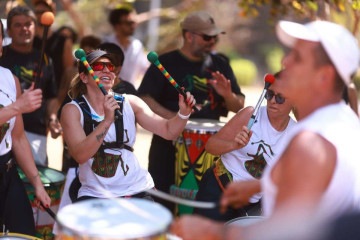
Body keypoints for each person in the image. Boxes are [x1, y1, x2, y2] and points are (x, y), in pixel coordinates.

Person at [170, 20, 360, 240]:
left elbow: (292, 231)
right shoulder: (343, 124)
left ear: (324, 76)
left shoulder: (312, 143)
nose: (285, 61)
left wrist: (213, 231)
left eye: (297, 57)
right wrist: (258, 186)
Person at [137, 11, 245, 212]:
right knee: (165, 204)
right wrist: (175, 120)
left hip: (212, 148)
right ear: (189, 36)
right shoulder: (166, 62)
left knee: (206, 203)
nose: (212, 41)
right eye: (207, 37)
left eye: (215, 37)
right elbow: (145, 97)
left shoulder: (220, 63)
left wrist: (228, 94)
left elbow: (239, 108)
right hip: (169, 145)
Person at [59, 49, 195, 202]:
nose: (106, 70)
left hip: (137, 188)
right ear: (84, 77)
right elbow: (80, 155)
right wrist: (107, 121)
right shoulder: (72, 110)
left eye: (110, 67)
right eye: (98, 66)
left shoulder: (130, 102)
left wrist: (183, 113)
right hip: (95, 194)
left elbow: (169, 131)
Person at [194, 72, 296, 221]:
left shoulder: (296, 133)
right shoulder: (250, 115)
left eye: (280, 98)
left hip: (254, 205)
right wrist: (233, 144)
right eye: (270, 94)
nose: (273, 101)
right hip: (219, 189)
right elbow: (210, 146)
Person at [0, 19, 51, 236]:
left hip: (7, 172)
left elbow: (18, 137)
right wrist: (17, 106)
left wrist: (37, 184)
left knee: (24, 234)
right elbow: (13, 111)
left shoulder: (9, 78)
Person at [0, 5, 59, 166]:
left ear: (35, 28)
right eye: (18, 25)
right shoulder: (1, 54)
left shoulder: (45, 59)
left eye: (28, 24)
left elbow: (51, 96)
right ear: (9, 31)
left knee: (31, 186)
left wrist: (52, 118)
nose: (24, 29)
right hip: (3, 129)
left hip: (35, 132)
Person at [103, 5, 149, 88]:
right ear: (117, 26)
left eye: (134, 22)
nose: (133, 26)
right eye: (129, 23)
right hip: (106, 92)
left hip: (129, 93)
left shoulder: (137, 45)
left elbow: (145, 69)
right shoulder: (105, 44)